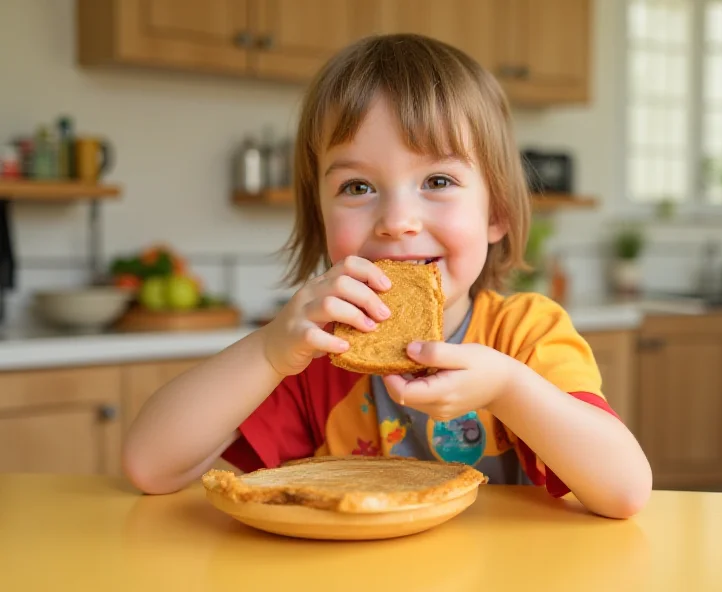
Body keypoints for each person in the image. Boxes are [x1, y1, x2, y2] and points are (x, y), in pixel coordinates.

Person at [122, 33, 652, 519]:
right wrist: (267, 352)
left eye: (438, 180)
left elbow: (625, 490)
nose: (397, 222)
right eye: (357, 187)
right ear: (322, 219)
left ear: (497, 216)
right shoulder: (313, 354)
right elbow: (151, 466)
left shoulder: (524, 337)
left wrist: (509, 390)